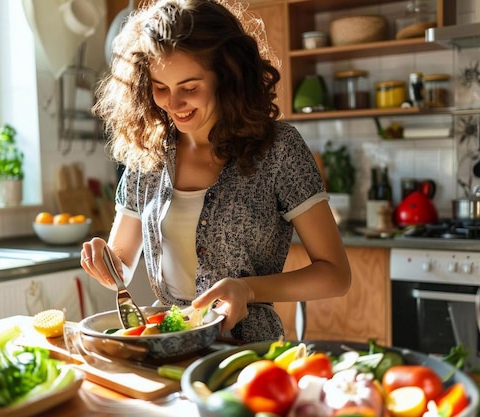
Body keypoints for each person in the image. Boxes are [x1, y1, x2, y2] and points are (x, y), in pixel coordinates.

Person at [80, 0, 351, 343]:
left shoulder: (278, 148)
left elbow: (336, 275)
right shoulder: (146, 152)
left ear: (227, 75)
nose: (173, 105)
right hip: (166, 343)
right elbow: (121, 262)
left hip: (247, 351)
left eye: (189, 88)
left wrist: (248, 290)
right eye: (160, 88)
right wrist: (104, 263)